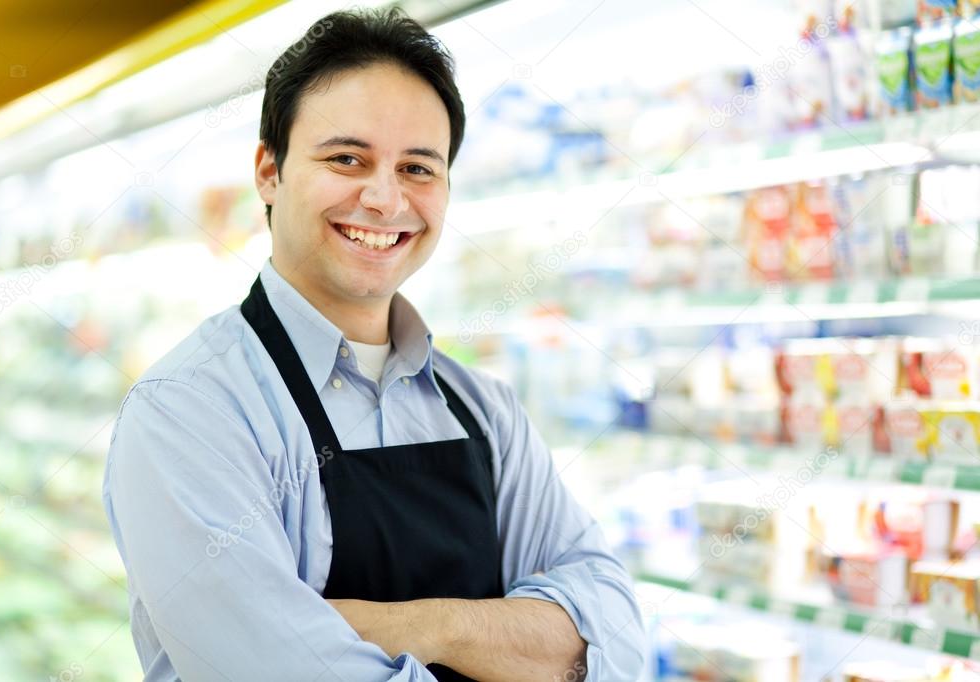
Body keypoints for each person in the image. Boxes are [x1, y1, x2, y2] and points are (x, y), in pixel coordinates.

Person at [103, 7, 644, 681]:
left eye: (418, 168)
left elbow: (618, 640)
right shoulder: (189, 413)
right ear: (268, 172)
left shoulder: (485, 410)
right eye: (346, 159)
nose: (385, 200)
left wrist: (421, 624)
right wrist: (515, 643)